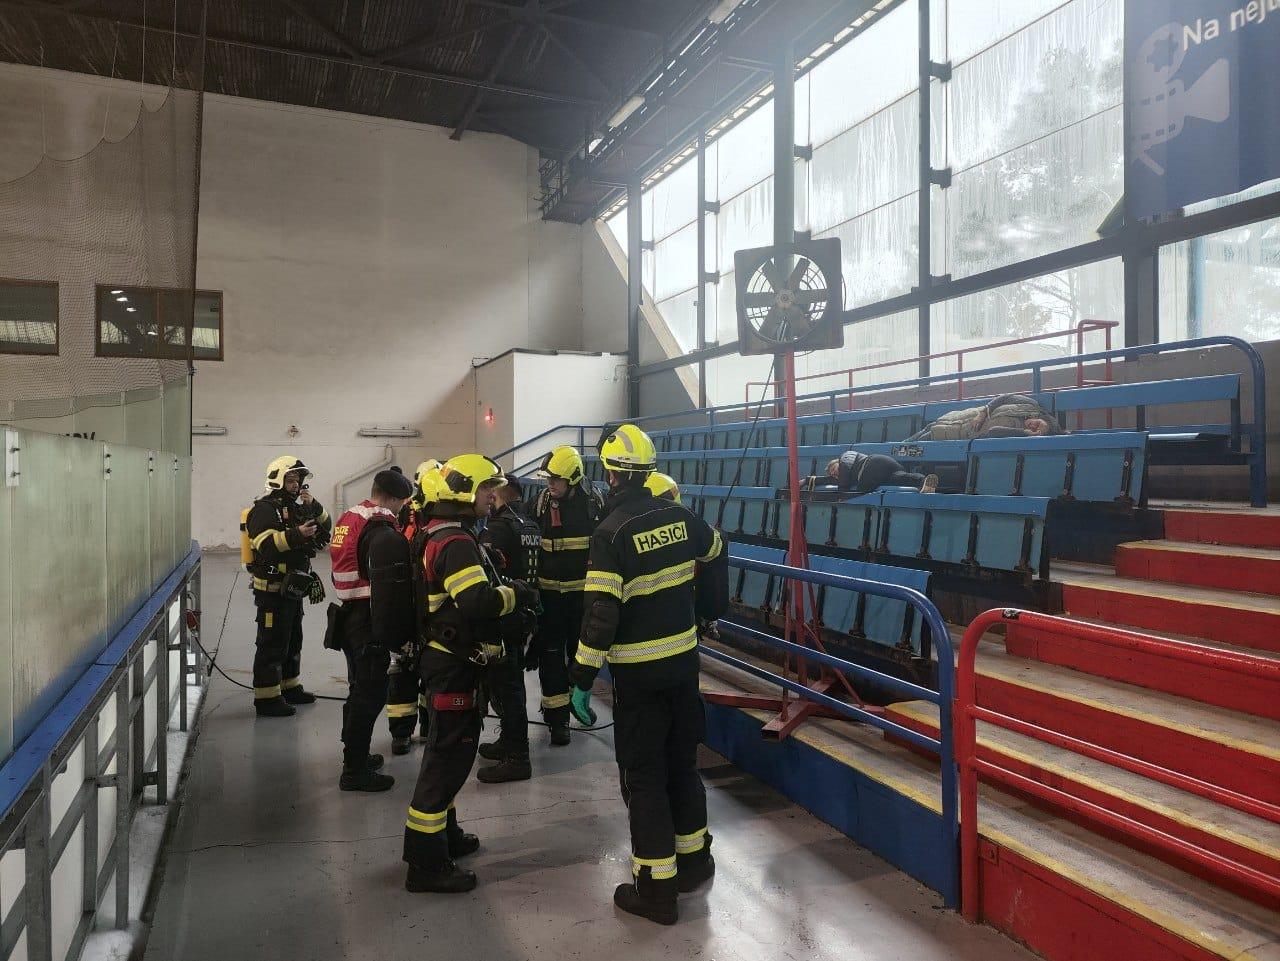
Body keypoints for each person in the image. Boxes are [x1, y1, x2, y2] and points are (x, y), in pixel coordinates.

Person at [567, 424, 729, 926]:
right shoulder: (680, 517)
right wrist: (708, 610)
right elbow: (717, 548)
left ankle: (657, 891)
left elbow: (601, 615)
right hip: (684, 668)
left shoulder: (611, 533)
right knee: (682, 765)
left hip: (639, 678)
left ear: (612, 474)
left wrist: (580, 677)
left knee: (645, 778)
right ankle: (694, 861)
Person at [402, 455, 539, 894]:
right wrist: (516, 594)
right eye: (485, 489)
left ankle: (446, 835)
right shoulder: (456, 542)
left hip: (445, 662)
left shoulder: (439, 532)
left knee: (449, 756)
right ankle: (425, 866)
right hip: (452, 667)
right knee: (447, 761)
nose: (492, 497)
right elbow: (477, 603)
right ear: (463, 491)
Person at [328, 469, 415, 791]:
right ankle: (354, 771)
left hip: (347, 614)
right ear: (391, 498)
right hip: (368, 618)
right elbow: (387, 588)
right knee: (369, 695)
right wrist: (397, 633)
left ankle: (357, 756)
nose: (403, 509)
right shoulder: (381, 529)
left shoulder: (351, 517)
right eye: (402, 503)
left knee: (358, 691)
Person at [245, 456, 332, 717]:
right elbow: (266, 545)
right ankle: (267, 699)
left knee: (293, 640)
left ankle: (289, 686)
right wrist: (297, 535)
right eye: (291, 479)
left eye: (298, 480)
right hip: (272, 590)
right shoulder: (263, 509)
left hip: (292, 588)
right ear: (277, 480)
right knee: (272, 643)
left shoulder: (296, 507)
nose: (295, 485)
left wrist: (313, 505)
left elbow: (326, 527)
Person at [531, 445, 604, 746]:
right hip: (549, 600)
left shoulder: (594, 504)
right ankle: (557, 722)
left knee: (580, 657)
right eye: (548, 478)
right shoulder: (540, 503)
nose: (550, 483)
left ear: (573, 478)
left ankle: (575, 701)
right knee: (550, 658)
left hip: (582, 601)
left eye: (556, 479)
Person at [475, 478, 541, 783]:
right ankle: (509, 743)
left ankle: (517, 757)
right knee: (512, 684)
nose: (489, 496)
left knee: (506, 688)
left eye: (492, 490)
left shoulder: (498, 528)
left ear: (502, 493)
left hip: (504, 614)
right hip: (523, 614)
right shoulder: (530, 524)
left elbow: (488, 574)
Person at [386, 460, 440, 755]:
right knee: (405, 667)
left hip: (427, 601)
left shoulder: (441, 512)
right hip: (409, 600)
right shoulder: (406, 512)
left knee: (428, 669)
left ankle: (426, 727)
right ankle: (403, 732)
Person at [907, 393, 1059, 442]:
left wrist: (1025, 433)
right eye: (1038, 424)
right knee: (932, 425)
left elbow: (994, 431)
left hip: (965, 432)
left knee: (928, 435)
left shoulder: (1018, 432)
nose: (1032, 426)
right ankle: (899, 446)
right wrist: (982, 414)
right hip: (972, 415)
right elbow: (1003, 398)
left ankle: (899, 450)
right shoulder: (1031, 405)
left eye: (1035, 431)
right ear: (1043, 419)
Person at [804, 451, 939, 494]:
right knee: (898, 478)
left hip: (872, 464)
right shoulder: (844, 473)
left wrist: (841, 494)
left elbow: (843, 483)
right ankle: (924, 481)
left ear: (837, 462)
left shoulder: (845, 458)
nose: (835, 474)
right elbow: (830, 480)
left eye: (834, 470)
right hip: (887, 468)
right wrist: (806, 480)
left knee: (863, 489)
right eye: (833, 474)